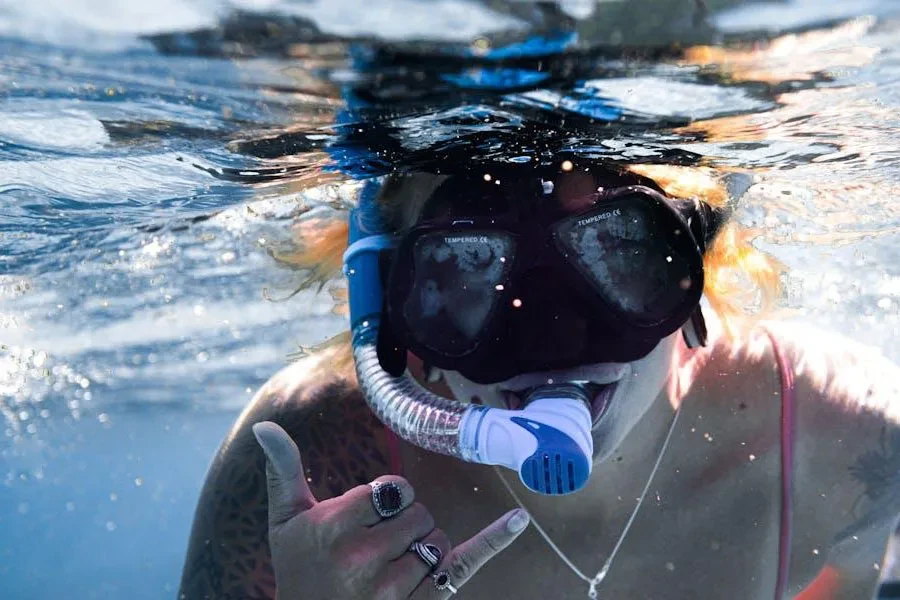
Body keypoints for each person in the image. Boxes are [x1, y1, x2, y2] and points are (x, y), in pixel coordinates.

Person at [178, 160, 900, 600]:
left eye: (614, 253)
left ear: (690, 258)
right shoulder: (308, 466)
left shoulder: (848, 431)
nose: (553, 344)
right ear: (392, 308)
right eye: (465, 272)